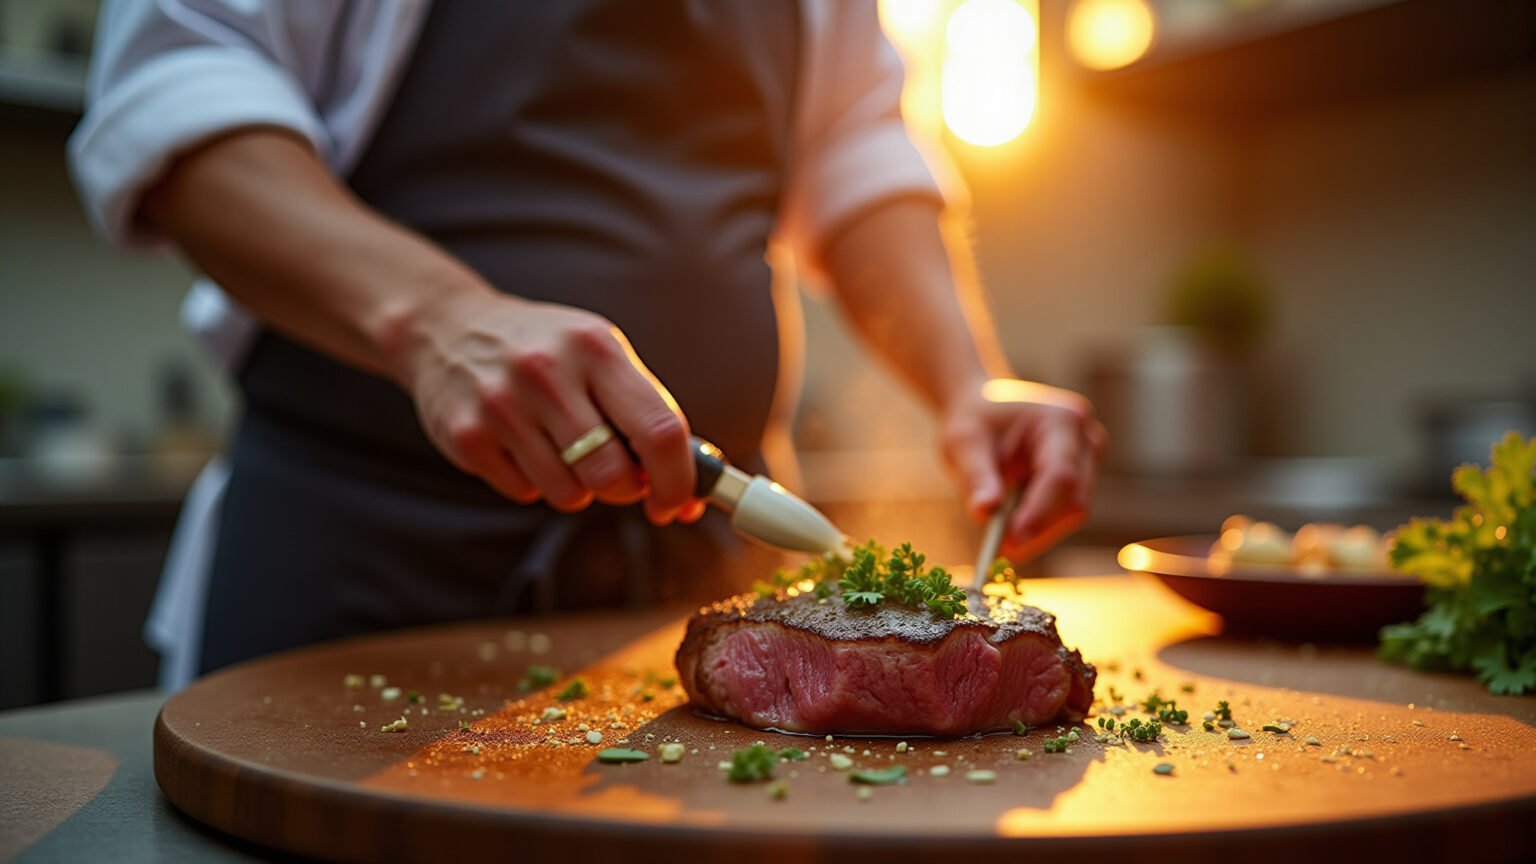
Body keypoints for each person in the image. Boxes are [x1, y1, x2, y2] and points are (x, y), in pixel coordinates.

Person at [70, 1, 1106, 687]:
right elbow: (179, 78)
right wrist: (436, 321)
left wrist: (968, 380)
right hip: (363, 572)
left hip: (701, 582)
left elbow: (856, 143)